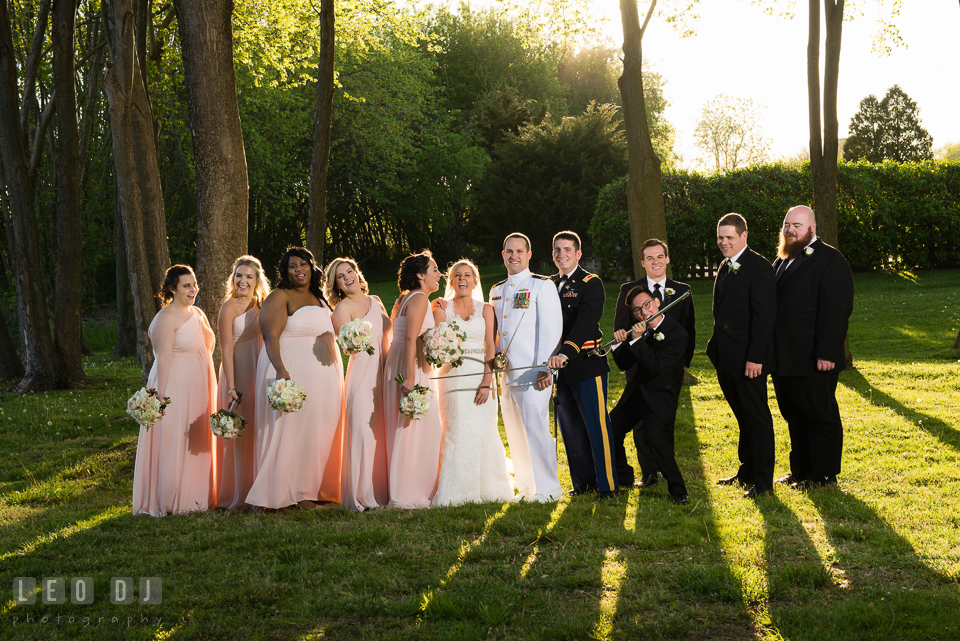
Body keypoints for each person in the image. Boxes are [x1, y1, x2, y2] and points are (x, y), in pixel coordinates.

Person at [246, 247, 343, 510]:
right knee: (288, 430)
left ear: (312, 267)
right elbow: (271, 336)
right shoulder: (280, 296)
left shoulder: (317, 296)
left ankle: (305, 492)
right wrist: (281, 370)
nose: (299, 269)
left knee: (314, 432)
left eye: (304, 264)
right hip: (291, 368)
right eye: (292, 266)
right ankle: (278, 493)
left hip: (321, 373)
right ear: (285, 271)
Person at [771, 205, 854, 488]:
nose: (790, 230)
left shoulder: (830, 260)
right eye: (787, 225)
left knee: (820, 416)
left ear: (813, 228)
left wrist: (827, 353)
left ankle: (825, 474)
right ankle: (802, 471)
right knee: (794, 415)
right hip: (785, 358)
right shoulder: (782, 259)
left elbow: (836, 310)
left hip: (814, 358)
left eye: (797, 225)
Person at [132, 265, 217, 516]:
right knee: (174, 437)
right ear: (172, 288)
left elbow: (207, 345)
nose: (193, 290)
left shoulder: (197, 313)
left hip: (199, 384)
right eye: (186, 286)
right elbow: (163, 360)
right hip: (175, 386)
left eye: (194, 284)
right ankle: (170, 499)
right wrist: (159, 396)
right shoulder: (164, 319)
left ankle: (196, 495)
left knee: (196, 437)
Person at [612, 238, 697, 488]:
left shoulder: (681, 290)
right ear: (642, 263)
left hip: (669, 367)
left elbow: (689, 330)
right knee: (638, 423)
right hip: (638, 366)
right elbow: (622, 326)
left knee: (661, 423)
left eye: (660, 256)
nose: (656, 262)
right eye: (650, 258)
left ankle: (664, 465)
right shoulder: (630, 290)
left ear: (667, 259)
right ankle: (647, 472)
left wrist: (683, 363)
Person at [431, 259, 516, 507]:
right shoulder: (441, 309)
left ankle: (490, 487)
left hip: (481, 374)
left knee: (484, 429)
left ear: (475, 281)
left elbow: (490, 346)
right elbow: (433, 342)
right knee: (456, 429)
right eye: (457, 276)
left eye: (467, 275)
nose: (462, 279)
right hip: (452, 377)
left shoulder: (486, 309)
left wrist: (487, 382)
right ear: (451, 282)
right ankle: (455, 491)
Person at [706, 213, 777, 499]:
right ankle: (746, 469)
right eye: (721, 237)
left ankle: (763, 481)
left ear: (743, 236)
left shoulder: (759, 267)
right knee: (742, 417)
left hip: (749, 360)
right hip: (726, 358)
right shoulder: (725, 265)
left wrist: (755, 358)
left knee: (757, 418)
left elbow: (765, 318)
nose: (723, 242)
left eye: (729, 238)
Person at [489, 233, 563, 503]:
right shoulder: (497, 290)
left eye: (519, 251)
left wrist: (547, 368)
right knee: (515, 431)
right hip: (507, 374)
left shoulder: (541, 286)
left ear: (529, 254)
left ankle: (549, 489)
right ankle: (528, 487)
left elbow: (552, 329)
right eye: (509, 251)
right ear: (503, 254)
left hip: (535, 373)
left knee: (536, 429)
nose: (514, 256)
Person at [547, 231, 619, 499]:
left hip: (587, 364)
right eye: (557, 250)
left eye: (567, 249)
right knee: (571, 429)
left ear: (578, 254)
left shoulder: (591, 282)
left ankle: (608, 485)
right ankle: (583, 483)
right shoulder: (549, 284)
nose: (561, 254)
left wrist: (566, 352)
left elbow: (585, 323)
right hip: (560, 368)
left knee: (597, 427)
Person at [610, 285, 689, 504]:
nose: (644, 312)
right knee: (610, 428)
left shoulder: (677, 333)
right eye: (637, 310)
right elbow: (624, 364)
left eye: (646, 305)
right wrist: (620, 344)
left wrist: (636, 341)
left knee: (653, 435)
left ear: (656, 302)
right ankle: (624, 476)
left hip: (661, 397)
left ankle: (678, 490)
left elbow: (655, 367)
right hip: (637, 394)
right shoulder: (639, 330)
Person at [327, 257, 391, 512]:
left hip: (384, 371)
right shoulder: (341, 310)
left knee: (381, 433)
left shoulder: (375, 301)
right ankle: (360, 494)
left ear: (357, 273)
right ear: (337, 286)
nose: (347, 277)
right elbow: (346, 346)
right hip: (362, 374)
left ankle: (381, 491)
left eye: (349, 271)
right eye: (340, 277)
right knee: (363, 432)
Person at [382, 251, 444, 509]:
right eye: (434, 269)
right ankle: (409, 492)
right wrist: (410, 374)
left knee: (407, 427)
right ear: (420, 275)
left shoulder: (406, 297)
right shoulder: (418, 298)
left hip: (401, 360)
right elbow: (410, 339)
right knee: (418, 428)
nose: (439, 274)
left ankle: (405, 486)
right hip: (411, 366)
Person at [216, 256, 270, 510]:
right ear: (233, 278)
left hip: (259, 368)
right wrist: (231, 386)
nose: (243, 281)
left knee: (260, 427)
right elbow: (225, 350)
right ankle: (239, 493)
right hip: (237, 370)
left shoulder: (264, 305)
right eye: (239, 275)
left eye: (249, 276)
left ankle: (262, 488)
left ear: (257, 280)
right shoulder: (229, 307)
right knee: (241, 430)